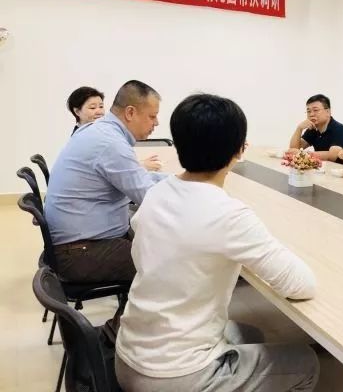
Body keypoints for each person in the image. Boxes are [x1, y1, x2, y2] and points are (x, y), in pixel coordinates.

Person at [115, 94, 319, 392]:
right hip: (175, 376)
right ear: (239, 151)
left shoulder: (156, 193)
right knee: (307, 362)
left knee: (250, 334)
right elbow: (301, 285)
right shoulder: (228, 214)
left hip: (128, 356)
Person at [45, 80, 166, 284]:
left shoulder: (101, 131)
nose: (157, 123)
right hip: (80, 253)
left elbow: (138, 176)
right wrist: (192, 194)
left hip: (80, 242)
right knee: (170, 261)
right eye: (152, 116)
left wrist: (179, 180)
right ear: (130, 113)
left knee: (157, 243)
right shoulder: (110, 143)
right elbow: (150, 198)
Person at [66, 86, 161, 171]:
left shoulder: (104, 132)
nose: (99, 111)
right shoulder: (85, 138)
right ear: (77, 111)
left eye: (101, 106)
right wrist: (141, 166)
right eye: (92, 108)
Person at [288, 94, 343, 162]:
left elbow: (333, 156)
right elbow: (293, 149)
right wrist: (299, 128)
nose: (311, 114)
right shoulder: (313, 129)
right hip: (326, 167)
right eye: (308, 111)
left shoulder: (339, 129)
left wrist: (304, 154)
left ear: (328, 112)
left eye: (315, 110)